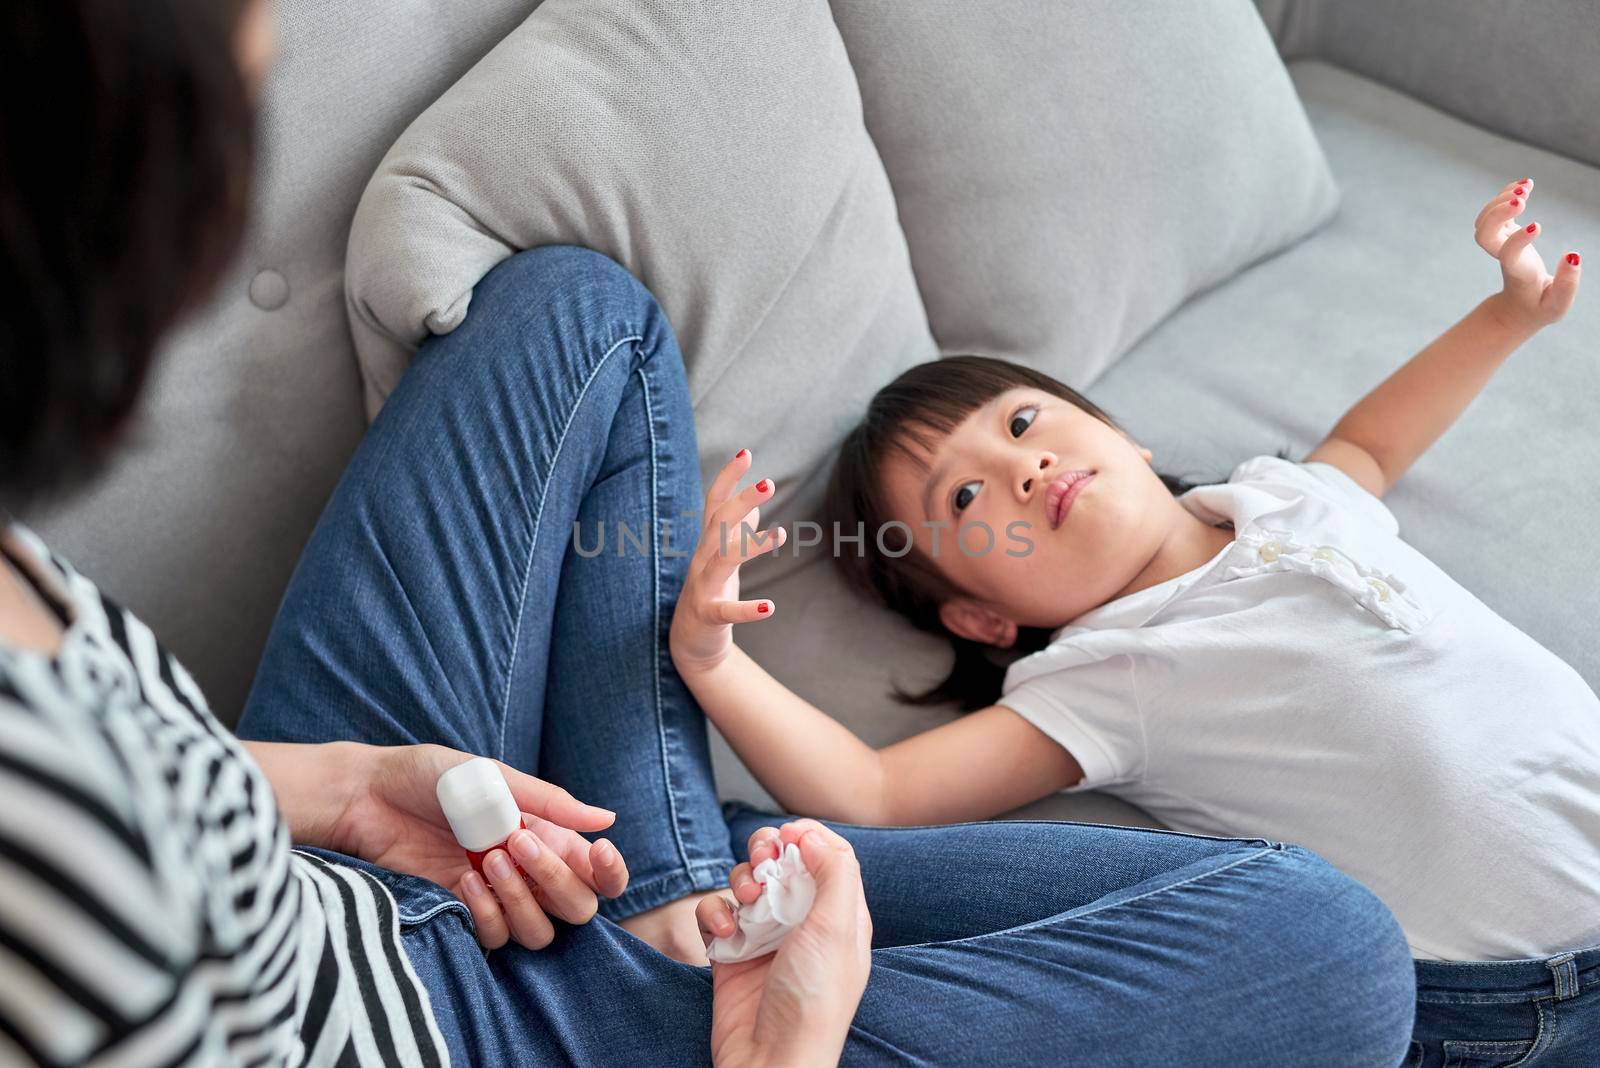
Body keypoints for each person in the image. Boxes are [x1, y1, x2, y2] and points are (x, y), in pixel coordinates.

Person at [0, 0, 1421, 1064]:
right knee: (1328, 959)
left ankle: (670, 884)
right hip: (463, 1034)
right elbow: (874, 797)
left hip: (347, 855)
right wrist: (775, 1046)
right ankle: (674, 900)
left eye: (1035, 429)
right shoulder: (66, 866)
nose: (270, 72)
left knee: (583, 318)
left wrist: (344, 785)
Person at [669, 180, 1598, 1066]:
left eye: (1025, 422)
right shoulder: (1105, 675)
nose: (1020, 470)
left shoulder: (1284, 493)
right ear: (984, 619)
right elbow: (875, 793)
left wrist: (1508, 316)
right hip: (1517, 994)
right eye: (963, 496)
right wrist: (713, 662)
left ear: (1125, 435)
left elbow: (1372, 443)